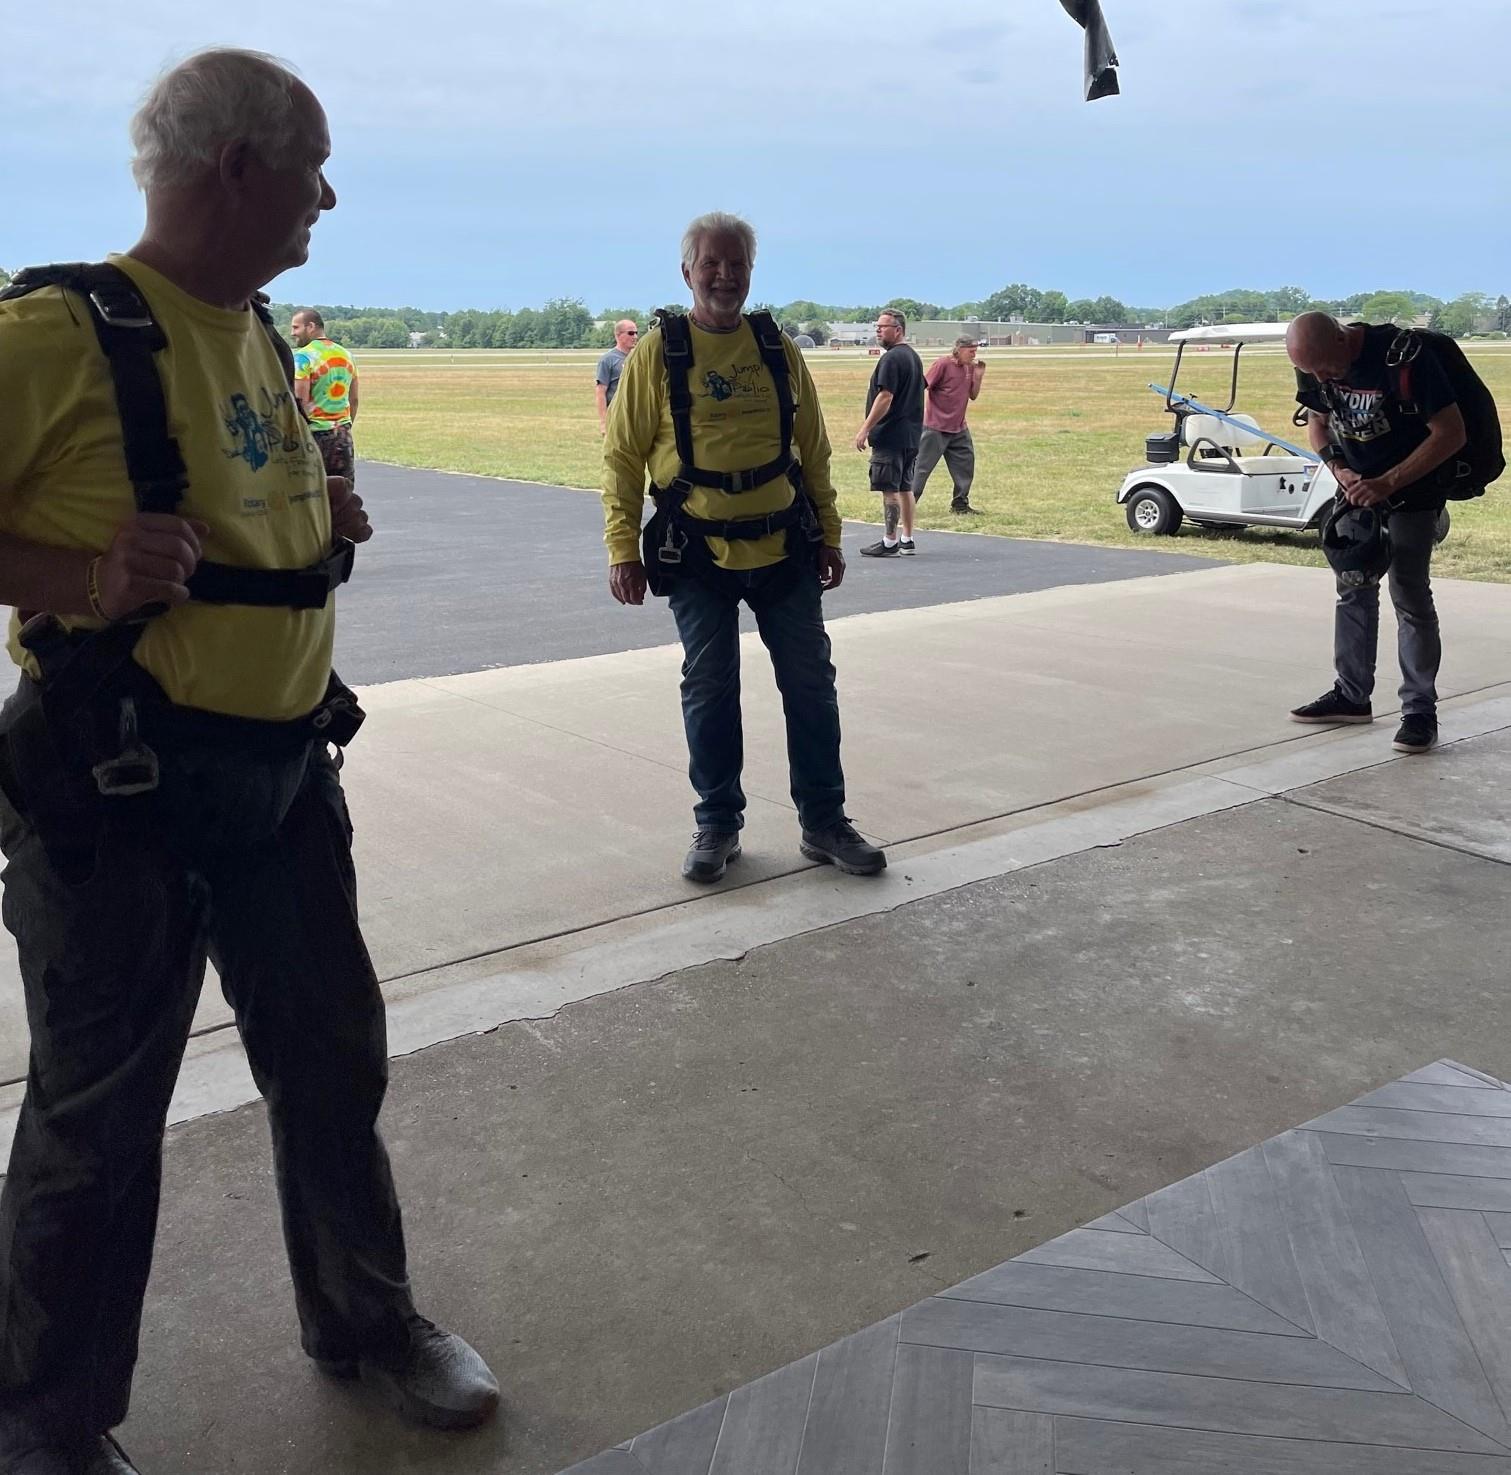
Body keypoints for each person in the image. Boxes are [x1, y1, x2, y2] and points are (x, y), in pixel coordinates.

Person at [0, 50, 498, 1475]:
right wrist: (80, 576)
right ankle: (41, 1418)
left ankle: (366, 1320)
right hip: (117, 797)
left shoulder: (256, 331)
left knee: (332, 1060)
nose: (326, 198)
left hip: (283, 780)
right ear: (238, 168)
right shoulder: (53, 332)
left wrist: (316, 518)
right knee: (98, 1119)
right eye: (314, 169)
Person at [602, 211, 885, 883]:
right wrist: (622, 548)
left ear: (751, 272)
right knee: (709, 687)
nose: (724, 275)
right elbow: (622, 458)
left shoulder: (775, 347)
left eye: (737, 264)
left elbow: (812, 448)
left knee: (810, 684)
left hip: (785, 546)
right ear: (687, 273)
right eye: (711, 263)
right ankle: (717, 823)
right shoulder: (658, 353)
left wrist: (829, 533)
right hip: (696, 551)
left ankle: (824, 821)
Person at [1286, 311, 1468, 754]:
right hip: (1357, 493)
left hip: (1412, 493)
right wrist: (1339, 468)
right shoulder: (1314, 365)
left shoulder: (1403, 357)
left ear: (1342, 339)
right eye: (1310, 371)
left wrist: (1389, 482)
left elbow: (1451, 433)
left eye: (1324, 368)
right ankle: (1351, 696)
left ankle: (1419, 711)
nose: (1320, 378)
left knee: (1409, 594)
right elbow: (1318, 424)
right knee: (1353, 587)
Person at [855, 310, 924, 557]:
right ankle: (908, 538)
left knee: (889, 488)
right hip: (910, 435)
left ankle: (890, 540)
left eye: (883, 327)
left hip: (891, 434)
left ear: (898, 329)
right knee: (905, 487)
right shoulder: (913, 357)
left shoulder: (892, 359)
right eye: (877, 327)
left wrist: (865, 428)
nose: (878, 331)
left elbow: (885, 396)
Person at [913, 335, 986, 514]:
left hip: (959, 427)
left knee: (965, 465)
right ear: (959, 349)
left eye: (975, 351)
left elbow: (973, 395)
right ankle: (907, 505)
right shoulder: (942, 364)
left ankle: (960, 504)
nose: (974, 354)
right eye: (971, 351)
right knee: (921, 468)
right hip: (935, 427)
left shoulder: (969, 367)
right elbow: (923, 385)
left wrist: (978, 377)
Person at [290, 307, 359, 484]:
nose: (292, 333)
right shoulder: (347, 355)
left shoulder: (303, 357)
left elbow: (300, 402)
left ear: (311, 326)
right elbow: (354, 400)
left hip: (315, 437)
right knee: (343, 491)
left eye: (296, 327)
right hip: (343, 436)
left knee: (312, 492)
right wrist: (345, 426)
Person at [595, 319, 638, 434]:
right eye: (630, 333)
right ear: (618, 335)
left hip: (636, 415)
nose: (635, 337)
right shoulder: (607, 360)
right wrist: (604, 422)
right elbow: (600, 392)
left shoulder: (638, 358)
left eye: (636, 333)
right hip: (617, 416)